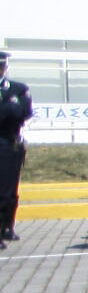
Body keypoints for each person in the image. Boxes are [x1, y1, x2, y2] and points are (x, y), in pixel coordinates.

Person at [0, 51, 29, 244]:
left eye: (2, 66)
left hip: (10, 143)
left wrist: (9, 109)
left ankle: (7, 227)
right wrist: (9, 108)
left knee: (9, 191)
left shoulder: (18, 88)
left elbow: (24, 112)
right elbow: (12, 111)